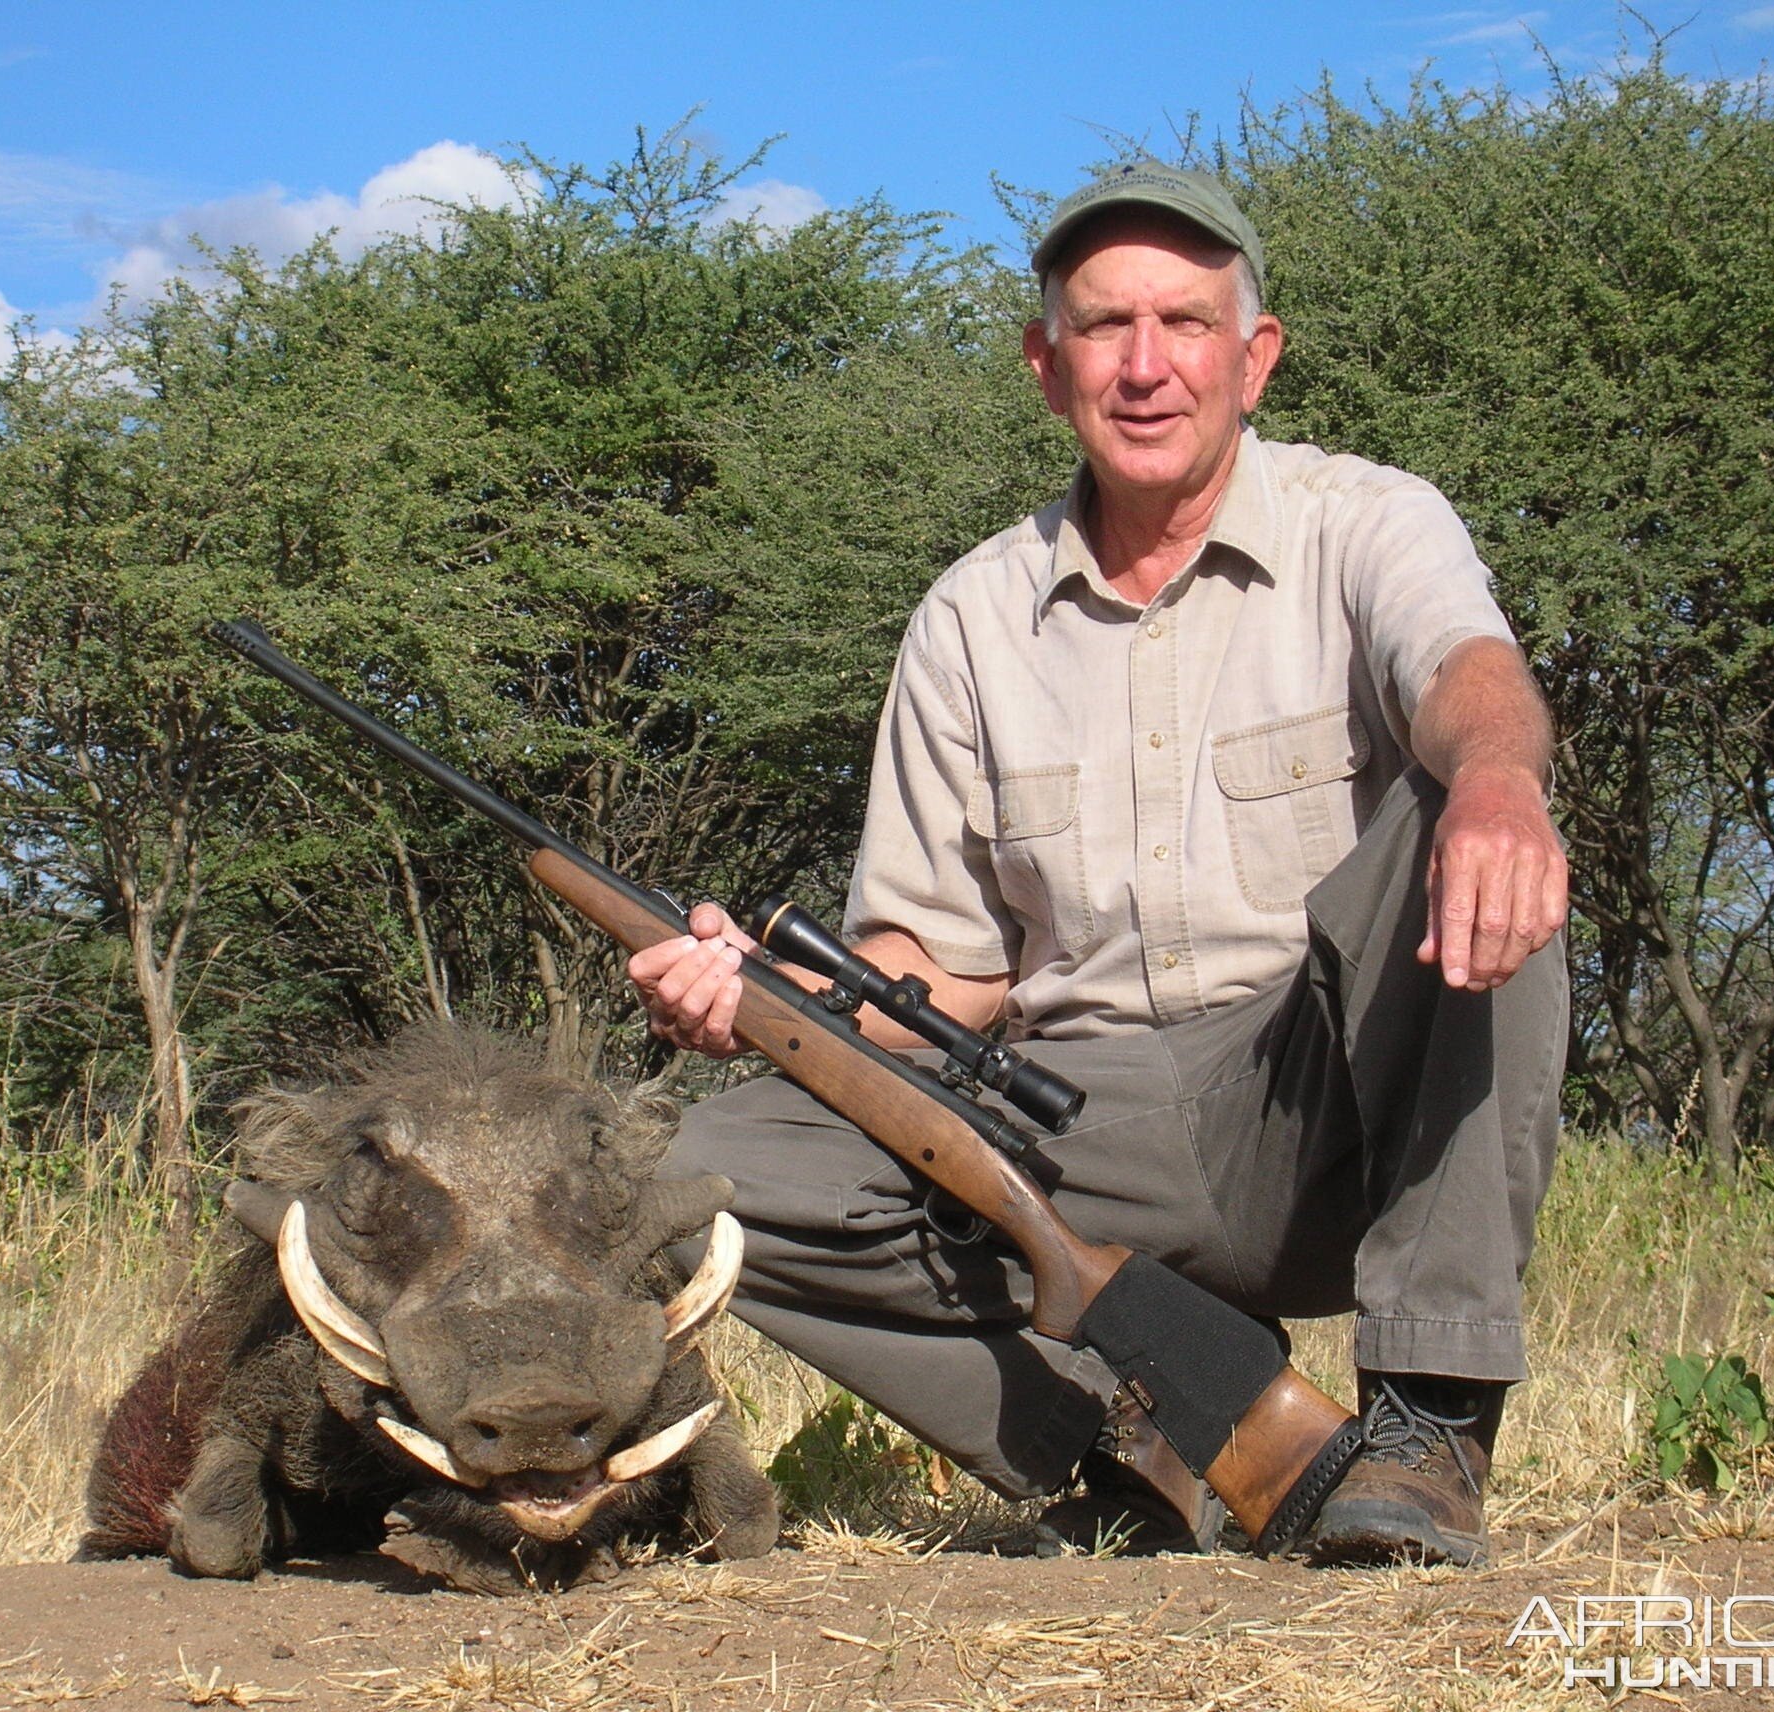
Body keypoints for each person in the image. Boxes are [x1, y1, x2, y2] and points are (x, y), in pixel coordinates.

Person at [630, 159, 1569, 1568]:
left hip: (1314, 1107)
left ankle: (1427, 1429)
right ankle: (1137, 1435)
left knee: (1473, 822)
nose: (1145, 367)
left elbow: (1467, 672)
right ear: (1043, 363)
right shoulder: (968, 617)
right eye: (1103, 327)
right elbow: (936, 978)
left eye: (1185, 325)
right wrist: (762, 998)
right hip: (1075, 1117)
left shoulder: (1369, 518)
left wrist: (1499, 779)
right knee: (696, 1169)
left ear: (1254, 359)